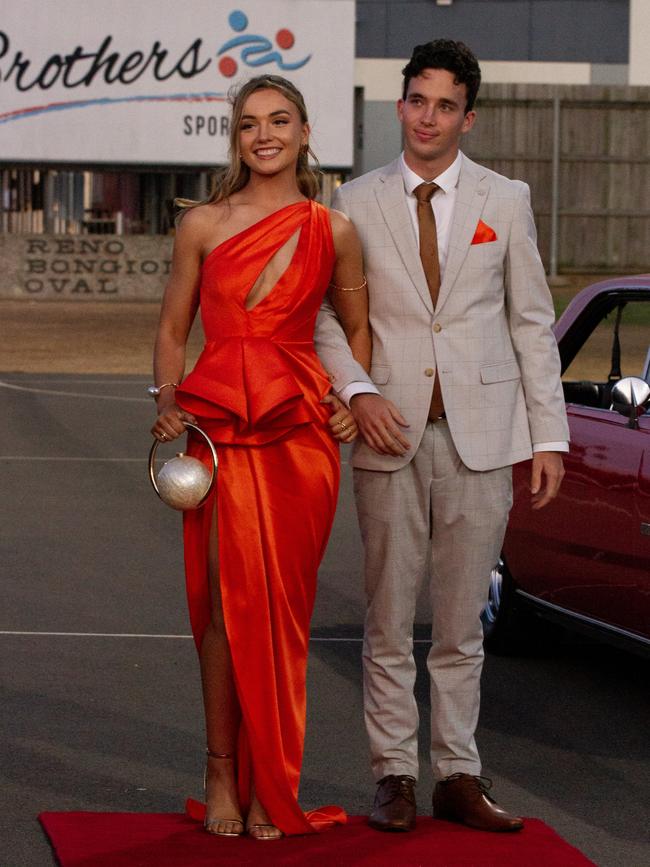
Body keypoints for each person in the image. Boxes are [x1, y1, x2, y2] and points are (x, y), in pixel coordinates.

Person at [314, 39, 569, 833]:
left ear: (469, 115)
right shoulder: (353, 202)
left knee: (462, 626)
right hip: (388, 434)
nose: (429, 117)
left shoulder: (507, 199)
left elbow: (531, 323)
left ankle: (458, 773)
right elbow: (325, 315)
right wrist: (356, 388)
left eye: (446, 104)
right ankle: (393, 772)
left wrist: (549, 436)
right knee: (389, 619)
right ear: (400, 106)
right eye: (417, 100)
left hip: (483, 439)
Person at [150, 74, 370, 840]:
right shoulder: (202, 224)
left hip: (301, 436)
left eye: (279, 121)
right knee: (219, 601)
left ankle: (272, 781)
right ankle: (220, 770)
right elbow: (174, 328)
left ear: (306, 132)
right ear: (236, 138)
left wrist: (351, 400)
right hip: (216, 428)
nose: (264, 134)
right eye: (249, 124)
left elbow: (355, 328)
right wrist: (165, 396)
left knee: (281, 612)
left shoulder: (331, 229)